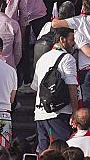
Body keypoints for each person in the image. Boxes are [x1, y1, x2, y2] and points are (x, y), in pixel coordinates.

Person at [33, 21, 80, 151]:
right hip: (59, 114)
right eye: (72, 39)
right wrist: (75, 113)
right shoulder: (68, 59)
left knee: (44, 153)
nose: (74, 43)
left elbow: (35, 87)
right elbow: (72, 87)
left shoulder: (42, 58)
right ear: (62, 40)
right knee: (62, 152)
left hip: (40, 114)